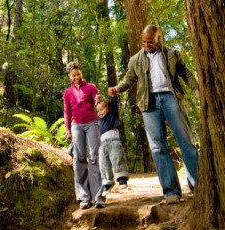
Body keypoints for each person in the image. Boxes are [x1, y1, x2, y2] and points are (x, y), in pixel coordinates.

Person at [108, 24, 198, 204]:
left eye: (149, 41)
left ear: (158, 39)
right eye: (143, 42)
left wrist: (196, 89)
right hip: (148, 102)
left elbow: (185, 73)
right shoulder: (136, 59)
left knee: (185, 141)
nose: (146, 45)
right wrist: (118, 89)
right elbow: (129, 79)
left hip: (171, 98)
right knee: (157, 146)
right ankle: (171, 192)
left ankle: (197, 184)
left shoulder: (172, 53)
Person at [63, 60, 105, 209]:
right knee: (79, 159)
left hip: (92, 123)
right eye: (73, 75)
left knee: (94, 157)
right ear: (70, 76)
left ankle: (98, 197)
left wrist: (98, 100)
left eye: (78, 74)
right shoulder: (68, 93)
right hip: (76, 126)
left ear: (82, 74)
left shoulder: (91, 87)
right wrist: (67, 129)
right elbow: (67, 112)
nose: (76, 77)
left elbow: (98, 104)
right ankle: (84, 198)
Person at [95, 94, 129, 197]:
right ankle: (107, 182)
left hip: (114, 142)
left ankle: (121, 178)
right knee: (103, 163)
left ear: (109, 108)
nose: (100, 112)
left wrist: (113, 96)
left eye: (102, 109)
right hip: (103, 144)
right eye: (98, 111)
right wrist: (97, 101)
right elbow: (96, 111)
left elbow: (113, 103)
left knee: (117, 159)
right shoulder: (100, 119)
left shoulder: (112, 115)